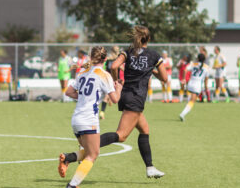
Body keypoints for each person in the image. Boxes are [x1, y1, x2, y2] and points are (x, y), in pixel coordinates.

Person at [60, 25, 166, 179]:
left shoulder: (128, 51)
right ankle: (74, 154)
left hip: (125, 95)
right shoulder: (153, 55)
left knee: (144, 129)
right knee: (121, 135)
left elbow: (115, 66)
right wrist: (151, 69)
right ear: (148, 39)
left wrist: (117, 82)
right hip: (136, 97)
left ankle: (150, 167)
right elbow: (165, 78)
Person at [56, 46, 120, 188]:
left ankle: (67, 158)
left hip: (76, 119)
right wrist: (119, 89)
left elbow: (69, 92)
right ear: (104, 59)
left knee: (89, 152)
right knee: (93, 154)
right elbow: (115, 99)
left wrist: (84, 98)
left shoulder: (83, 72)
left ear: (91, 57)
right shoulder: (104, 75)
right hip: (88, 119)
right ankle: (72, 185)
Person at [178, 53, 210, 121]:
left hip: (190, 83)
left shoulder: (193, 64)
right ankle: (182, 114)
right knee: (192, 101)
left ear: (198, 59)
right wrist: (206, 87)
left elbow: (185, 70)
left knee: (190, 98)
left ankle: (184, 107)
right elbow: (206, 79)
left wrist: (183, 79)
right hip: (197, 85)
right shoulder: (206, 67)